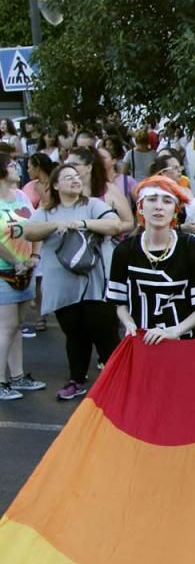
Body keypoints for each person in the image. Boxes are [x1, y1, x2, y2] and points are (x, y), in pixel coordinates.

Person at [17, 164, 124, 399]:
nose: (75, 180)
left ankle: (117, 381)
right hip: (63, 285)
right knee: (75, 334)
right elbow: (29, 232)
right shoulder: (46, 211)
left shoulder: (94, 205)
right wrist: (56, 225)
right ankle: (77, 379)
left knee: (105, 333)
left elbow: (115, 224)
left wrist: (83, 224)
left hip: (96, 283)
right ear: (55, 185)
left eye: (77, 176)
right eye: (68, 177)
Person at [107, 175, 195, 342]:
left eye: (167, 201)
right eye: (152, 199)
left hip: (186, 345)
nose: (159, 207)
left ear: (175, 210)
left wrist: (175, 331)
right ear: (140, 207)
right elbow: (119, 301)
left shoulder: (191, 248)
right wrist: (128, 322)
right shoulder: (124, 251)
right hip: (143, 343)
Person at [0, 154, 42, 400]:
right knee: (5, 328)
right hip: (4, 271)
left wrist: (34, 258)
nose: (18, 168)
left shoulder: (22, 196)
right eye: (12, 165)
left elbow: (34, 226)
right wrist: (15, 261)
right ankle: (1, 381)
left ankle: (17, 376)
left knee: (16, 327)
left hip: (25, 269)